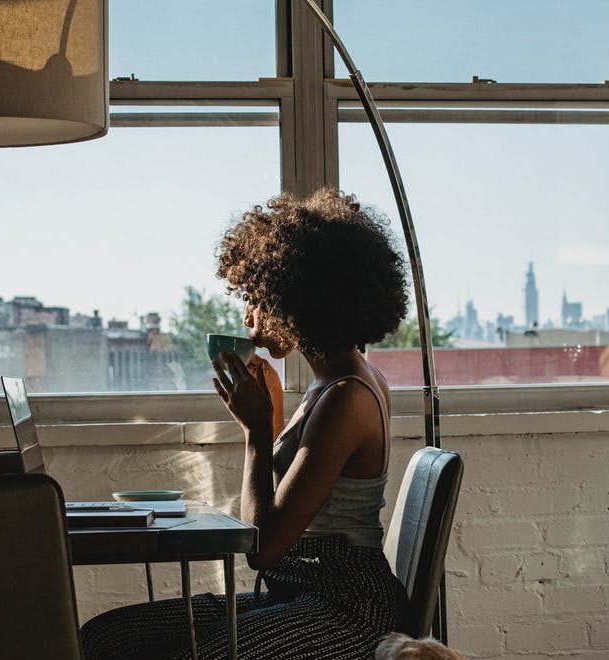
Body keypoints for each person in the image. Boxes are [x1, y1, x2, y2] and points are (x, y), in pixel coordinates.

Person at [81, 188, 410, 660]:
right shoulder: (331, 384)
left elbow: (264, 548)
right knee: (109, 637)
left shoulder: (347, 398)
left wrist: (257, 433)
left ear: (301, 300)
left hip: (344, 606)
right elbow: (297, 495)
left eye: (259, 298)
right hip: (300, 592)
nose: (247, 316)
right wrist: (270, 415)